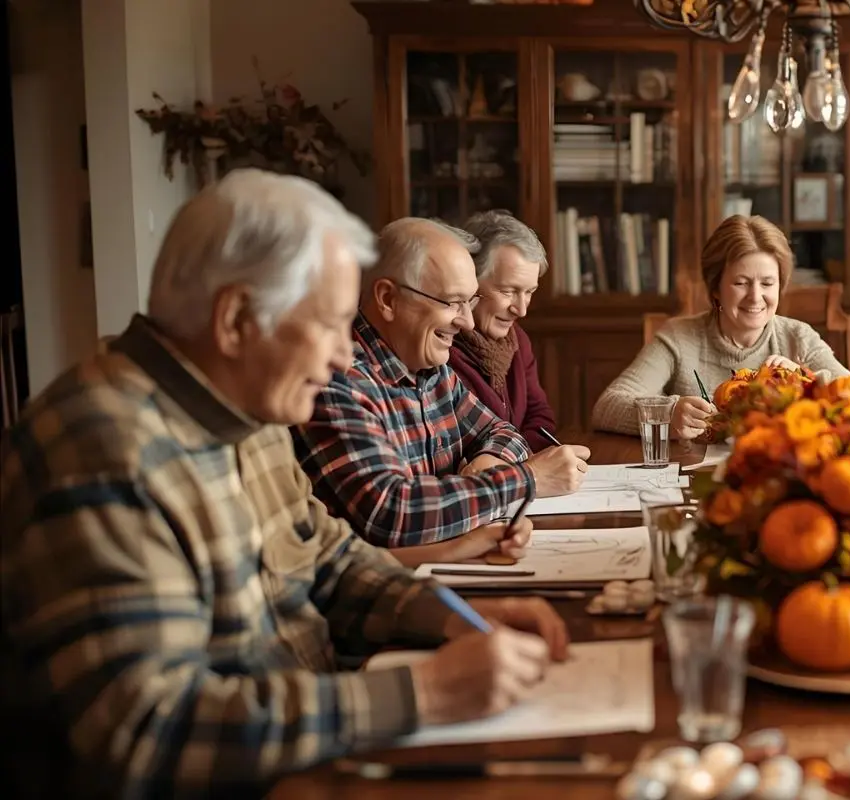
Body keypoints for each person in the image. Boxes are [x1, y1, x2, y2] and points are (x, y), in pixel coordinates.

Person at [0, 170, 571, 797]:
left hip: (312, 742)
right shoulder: (103, 446)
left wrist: (458, 617)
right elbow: (146, 732)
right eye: (327, 324)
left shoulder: (249, 410)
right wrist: (426, 691)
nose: (343, 356)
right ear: (237, 318)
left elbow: (328, 561)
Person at [294, 217, 590, 559]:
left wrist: (489, 461)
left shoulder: (431, 369)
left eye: (469, 302)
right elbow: (392, 513)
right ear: (388, 299)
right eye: (452, 302)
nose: (466, 321)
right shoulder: (337, 380)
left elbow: (502, 430)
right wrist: (526, 479)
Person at [592, 214, 849, 439]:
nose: (755, 296)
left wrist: (806, 382)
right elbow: (607, 407)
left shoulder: (798, 337)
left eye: (768, 283)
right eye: (741, 283)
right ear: (716, 288)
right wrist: (668, 415)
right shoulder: (678, 338)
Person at [448, 210, 560, 449]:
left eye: (529, 292)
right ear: (469, 281)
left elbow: (540, 416)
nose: (521, 310)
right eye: (508, 291)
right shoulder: (440, 347)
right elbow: (468, 442)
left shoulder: (517, 339)